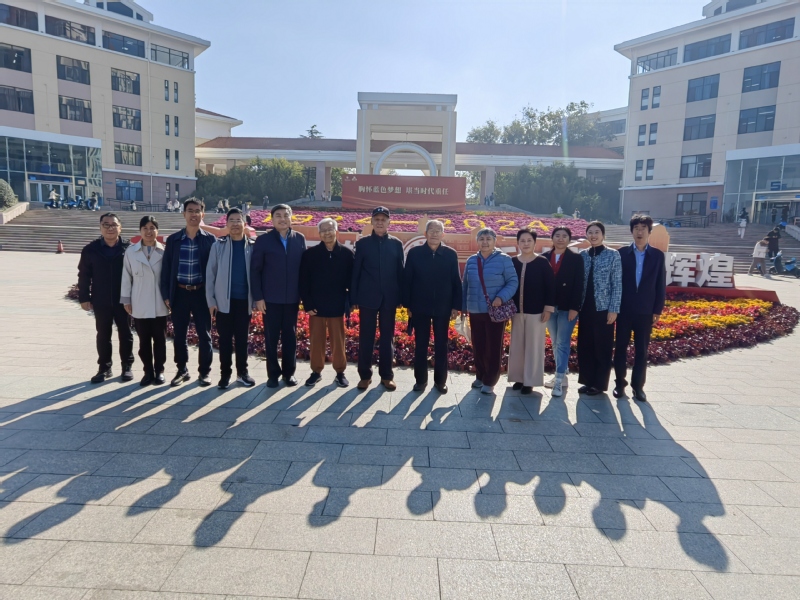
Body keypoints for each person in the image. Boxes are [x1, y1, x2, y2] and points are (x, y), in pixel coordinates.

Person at [160, 198, 217, 387]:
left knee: (205, 334)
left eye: (197, 211)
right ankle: (182, 370)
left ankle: (204, 372)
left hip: (201, 294)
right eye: (190, 211)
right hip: (180, 293)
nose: (194, 214)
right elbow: (166, 269)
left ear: (203, 214)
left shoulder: (210, 240)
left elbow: (215, 270)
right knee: (179, 335)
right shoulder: (174, 240)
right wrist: (166, 295)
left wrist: (213, 297)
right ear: (184, 214)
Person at [403, 220, 462, 394]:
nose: (435, 234)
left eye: (438, 231)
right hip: (420, 306)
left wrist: (456, 306)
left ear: (443, 234)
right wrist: (408, 304)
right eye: (431, 230)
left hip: (443, 307)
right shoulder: (415, 253)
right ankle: (420, 381)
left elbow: (456, 281)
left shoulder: (450, 254)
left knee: (441, 345)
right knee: (421, 344)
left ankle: (440, 381)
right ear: (425, 234)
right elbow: (407, 280)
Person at [251, 204, 306, 387]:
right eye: (278, 216)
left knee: (290, 337)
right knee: (271, 338)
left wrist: (304, 296)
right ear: (272, 219)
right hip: (270, 300)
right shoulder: (263, 241)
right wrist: (258, 297)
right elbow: (255, 270)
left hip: (292, 299)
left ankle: (289, 374)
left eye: (286, 215)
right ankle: (273, 374)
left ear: (291, 217)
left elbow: (304, 270)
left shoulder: (299, 239)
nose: (282, 219)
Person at [613, 215, 666, 403]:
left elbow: (660, 284)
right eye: (636, 228)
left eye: (643, 228)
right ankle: (619, 384)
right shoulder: (621, 254)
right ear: (631, 231)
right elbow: (615, 282)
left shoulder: (657, 256)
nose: (640, 231)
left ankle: (638, 387)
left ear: (649, 231)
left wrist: (657, 309)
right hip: (624, 310)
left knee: (641, 350)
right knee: (620, 348)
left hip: (645, 310)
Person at [351, 206, 405, 391]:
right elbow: (356, 272)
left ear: (389, 222)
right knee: (366, 337)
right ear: (372, 222)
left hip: (389, 298)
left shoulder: (396, 244)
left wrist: (402, 297)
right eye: (377, 219)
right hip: (367, 298)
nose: (380, 222)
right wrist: (353, 297)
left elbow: (400, 272)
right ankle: (365, 376)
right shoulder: (363, 244)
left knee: (387, 338)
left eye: (383, 219)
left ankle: (387, 376)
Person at [78, 213, 134, 383]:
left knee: (126, 333)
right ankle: (104, 367)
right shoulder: (91, 249)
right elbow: (84, 275)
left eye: (114, 225)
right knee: (103, 334)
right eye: (106, 225)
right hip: (101, 299)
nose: (110, 228)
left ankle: (127, 366)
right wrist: (84, 297)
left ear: (120, 228)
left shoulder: (129, 249)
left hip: (123, 300)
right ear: (100, 227)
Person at [462, 227, 519, 395]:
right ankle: (480, 376)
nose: (485, 242)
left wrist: (501, 297)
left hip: (495, 310)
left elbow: (513, 282)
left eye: (488, 239)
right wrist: (463, 306)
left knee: (493, 346)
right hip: (475, 310)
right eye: (481, 239)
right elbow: (465, 285)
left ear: (495, 241)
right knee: (478, 344)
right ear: (477, 241)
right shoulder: (472, 260)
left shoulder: (504, 259)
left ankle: (490, 380)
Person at [299, 218, 354, 388]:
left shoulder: (346, 254)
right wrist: (307, 304)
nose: (327, 233)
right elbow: (303, 282)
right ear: (319, 234)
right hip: (316, 307)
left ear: (336, 231)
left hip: (337, 305)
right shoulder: (310, 255)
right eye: (323, 230)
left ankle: (340, 372)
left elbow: (352, 281)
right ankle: (316, 371)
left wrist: (350, 302)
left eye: (330, 230)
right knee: (316, 341)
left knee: (338, 341)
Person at [206, 208, 256, 389]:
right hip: (223, 303)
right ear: (226, 224)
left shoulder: (252, 246)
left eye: (238, 220)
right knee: (225, 340)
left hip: (244, 302)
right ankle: (225, 375)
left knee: (242, 339)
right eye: (232, 220)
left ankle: (242, 373)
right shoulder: (218, 246)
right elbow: (210, 275)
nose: (235, 224)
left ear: (244, 224)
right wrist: (211, 301)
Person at [121, 215, 168, 386]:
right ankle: (148, 371)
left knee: (160, 340)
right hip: (139, 302)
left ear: (157, 230)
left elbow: (168, 277)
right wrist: (126, 299)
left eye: (152, 228)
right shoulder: (131, 252)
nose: (149, 232)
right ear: (140, 231)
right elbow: (126, 276)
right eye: (145, 228)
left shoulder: (164, 251)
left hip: (159, 303)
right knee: (144, 341)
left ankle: (159, 371)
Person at [508, 228, 554, 394]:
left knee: (534, 347)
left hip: (536, 313)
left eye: (529, 240)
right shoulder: (512, 262)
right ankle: (518, 378)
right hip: (516, 312)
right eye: (522, 241)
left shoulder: (542, 262)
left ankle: (530, 381)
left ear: (535, 243)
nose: (526, 244)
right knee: (517, 346)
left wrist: (548, 308)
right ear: (517, 243)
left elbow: (550, 287)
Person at [577, 221, 621, 396]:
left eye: (597, 232)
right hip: (585, 308)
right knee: (585, 345)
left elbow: (617, 283)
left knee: (602, 346)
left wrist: (614, 309)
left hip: (603, 308)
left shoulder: (613, 255)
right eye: (590, 232)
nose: (593, 235)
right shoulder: (583, 255)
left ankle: (599, 384)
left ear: (603, 235)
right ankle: (587, 381)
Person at [541, 227, 584, 397]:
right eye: (557, 235)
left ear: (569, 239)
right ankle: (562, 375)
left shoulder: (576, 259)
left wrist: (575, 307)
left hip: (567, 308)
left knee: (562, 342)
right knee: (554, 342)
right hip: (549, 307)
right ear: (552, 238)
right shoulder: (544, 258)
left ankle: (558, 380)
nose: (560, 239)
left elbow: (579, 284)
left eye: (564, 236)